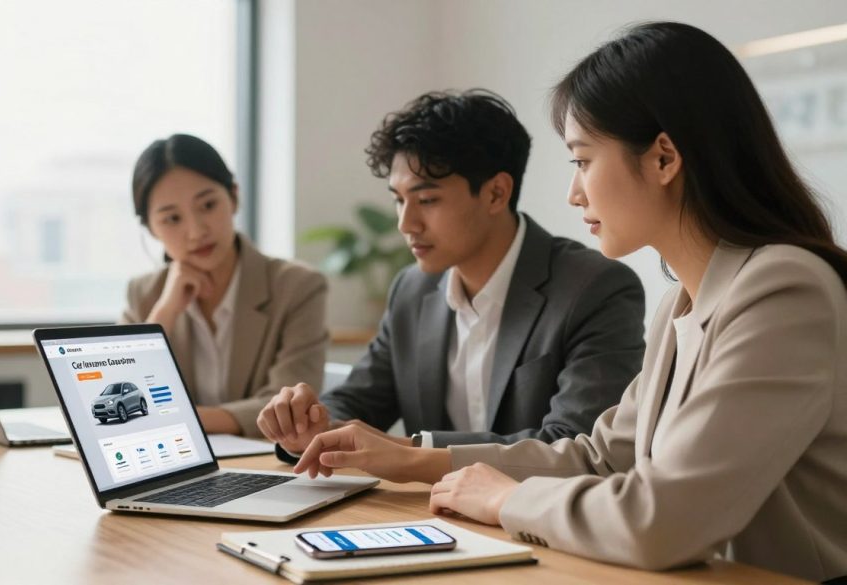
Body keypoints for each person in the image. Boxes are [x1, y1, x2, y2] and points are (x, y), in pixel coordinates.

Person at [291, 23, 847, 582]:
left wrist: (506, 500)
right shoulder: (683, 301)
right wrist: (421, 461)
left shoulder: (783, 289)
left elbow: (665, 519)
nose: (573, 193)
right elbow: (603, 456)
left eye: (581, 161)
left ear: (663, 158)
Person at [257, 90, 646, 460]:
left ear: (496, 193)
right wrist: (306, 422)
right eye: (398, 200)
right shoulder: (412, 289)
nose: (406, 224)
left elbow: (575, 443)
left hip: (533, 518)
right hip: (428, 517)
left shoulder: (595, 288)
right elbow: (359, 400)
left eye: (427, 200)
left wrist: (413, 450)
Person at [121, 134, 328, 437]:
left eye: (207, 205)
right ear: (151, 229)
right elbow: (117, 398)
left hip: (266, 466)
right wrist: (164, 313)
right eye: (172, 218)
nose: (196, 231)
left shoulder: (297, 287)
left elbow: (288, 410)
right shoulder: (144, 294)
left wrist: (175, 417)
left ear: (233, 197)